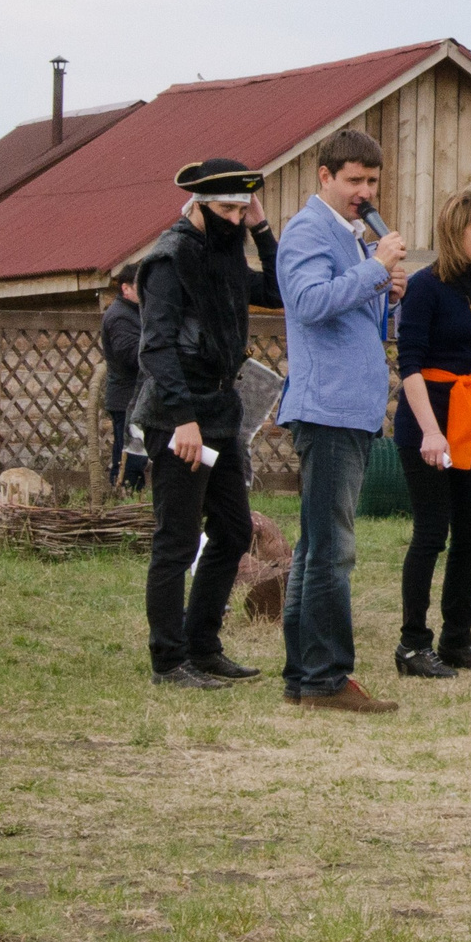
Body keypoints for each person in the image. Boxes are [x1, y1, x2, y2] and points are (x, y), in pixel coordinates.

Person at [132, 158, 280, 689]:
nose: (235, 218)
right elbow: (157, 348)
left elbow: (281, 291)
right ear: (198, 204)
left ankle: (202, 646)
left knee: (234, 530)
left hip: (221, 415)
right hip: (181, 418)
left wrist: (262, 229)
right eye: (226, 208)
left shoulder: (228, 253)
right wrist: (183, 422)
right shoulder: (169, 260)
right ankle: (169, 662)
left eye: (244, 209)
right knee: (176, 539)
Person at [277, 129, 408, 715]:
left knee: (314, 548)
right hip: (326, 408)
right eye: (354, 179)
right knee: (332, 551)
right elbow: (306, 302)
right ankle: (328, 679)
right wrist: (374, 268)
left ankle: (303, 677)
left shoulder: (351, 239)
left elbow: (351, 314)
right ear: (324, 177)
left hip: (350, 409)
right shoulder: (308, 231)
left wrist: (388, 290)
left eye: (372, 181)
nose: (365, 191)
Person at [393, 188, 471, 679]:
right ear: (456, 231)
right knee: (431, 532)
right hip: (428, 423)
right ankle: (413, 645)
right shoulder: (423, 286)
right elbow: (410, 362)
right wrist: (430, 432)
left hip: (469, 422)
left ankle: (457, 638)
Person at [100, 267, 148, 492]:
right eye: (141, 286)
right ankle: (123, 495)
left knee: (134, 452)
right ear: (125, 288)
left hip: (137, 397)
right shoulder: (120, 315)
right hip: (126, 397)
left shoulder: (136, 312)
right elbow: (130, 354)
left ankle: (127, 493)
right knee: (129, 455)